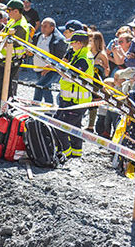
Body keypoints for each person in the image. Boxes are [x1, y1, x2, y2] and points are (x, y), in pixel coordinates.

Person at [55, 29, 95, 158]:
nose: (71, 45)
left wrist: (58, 68)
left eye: (73, 43)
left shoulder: (84, 58)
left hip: (77, 101)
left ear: (80, 43)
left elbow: (70, 75)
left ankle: (64, 152)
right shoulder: (78, 54)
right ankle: (76, 152)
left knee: (59, 126)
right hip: (72, 98)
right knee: (75, 128)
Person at [0, 0, 33, 111]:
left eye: (9, 10)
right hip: (5, 61)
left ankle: (5, 115)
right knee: (6, 90)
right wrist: (0, 38)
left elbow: (3, 42)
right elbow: (2, 33)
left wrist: (0, 39)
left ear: (16, 11)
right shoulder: (13, 21)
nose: (7, 13)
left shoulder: (20, 27)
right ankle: (4, 116)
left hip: (10, 62)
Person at [30, 18, 68, 105]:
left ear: (52, 28)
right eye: (42, 26)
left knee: (39, 86)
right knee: (46, 90)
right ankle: (49, 110)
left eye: (45, 26)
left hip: (52, 70)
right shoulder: (38, 36)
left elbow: (60, 58)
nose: (42, 28)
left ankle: (34, 107)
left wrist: (50, 67)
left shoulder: (59, 40)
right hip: (38, 68)